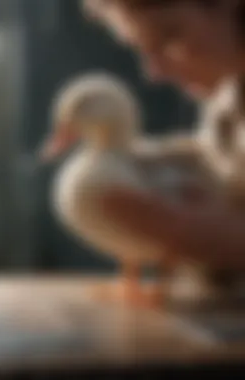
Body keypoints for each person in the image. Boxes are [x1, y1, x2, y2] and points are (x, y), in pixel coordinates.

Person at [81, 0, 245, 269]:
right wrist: (121, 163)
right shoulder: (227, 99)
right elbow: (215, 156)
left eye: (170, 36)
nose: (153, 73)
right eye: (141, 49)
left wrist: (195, 234)